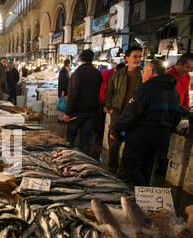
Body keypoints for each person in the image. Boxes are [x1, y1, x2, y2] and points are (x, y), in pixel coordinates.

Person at [109, 59, 181, 186]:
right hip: (160, 139)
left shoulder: (146, 89)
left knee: (128, 166)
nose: (142, 74)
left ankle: (139, 190)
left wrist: (116, 130)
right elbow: (176, 117)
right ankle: (144, 198)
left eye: (143, 71)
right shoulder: (174, 93)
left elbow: (131, 113)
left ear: (151, 72)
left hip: (141, 137)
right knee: (147, 166)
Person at [104, 46, 143, 175]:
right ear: (127, 58)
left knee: (132, 144)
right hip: (118, 113)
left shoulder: (143, 76)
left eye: (139, 56)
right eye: (135, 56)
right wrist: (110, 108)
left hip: (135, 115)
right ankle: (112, 168)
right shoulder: (118, 75)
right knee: (114, 143)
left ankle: (125, 171)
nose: (138, 59)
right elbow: (108, 92)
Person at [63, 49, 102, 155]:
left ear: (80, 58)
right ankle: (84, 160)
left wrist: (67, 112)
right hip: (91, 111)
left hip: (77, 112)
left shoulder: (78, 73)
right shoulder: (97, 73)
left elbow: (73, 94)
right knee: (86, 138)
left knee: (70, 136)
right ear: (92, 59)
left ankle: (68, 158)